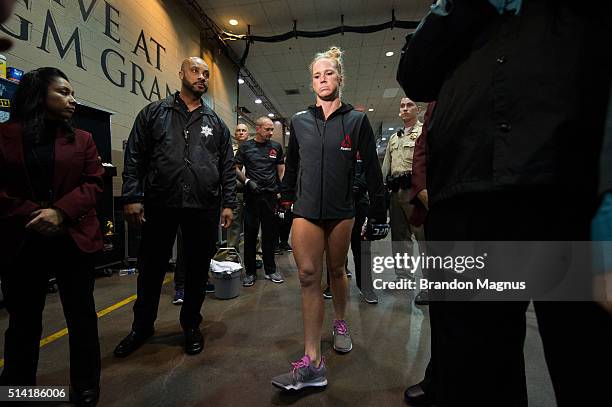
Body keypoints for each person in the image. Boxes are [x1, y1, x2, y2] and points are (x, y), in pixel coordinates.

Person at [398, 1, 612, 406]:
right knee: (474, 376)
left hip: (568, 192)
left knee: (588, 367)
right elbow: (415, 74)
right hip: (467, 198)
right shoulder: (456, 11)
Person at [271, 46, 387, 390]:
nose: (323, 79)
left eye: (329, 73)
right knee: (308, 276)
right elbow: (292, 165)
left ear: (340, 78)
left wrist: (377, 212)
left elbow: (374, 170)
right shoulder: (300, 121)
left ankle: (339, 323)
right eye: (317, 75)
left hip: (341, 211)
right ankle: (312, 360)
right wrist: (285, 198)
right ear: (312, 83)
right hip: (305, 208)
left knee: (336, 270)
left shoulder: (356, 120)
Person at [115, 56, 236, 358]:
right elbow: (134, 157)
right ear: (180, 73)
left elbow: (227, 167)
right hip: (161, 203)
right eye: (195, 71)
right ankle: (142, 327)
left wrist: (229, 203)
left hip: (202, 206)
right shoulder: (154, 114)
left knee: (196, 271)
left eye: (206, 73)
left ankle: (191, 327)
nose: (202, 77)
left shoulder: (216, 124)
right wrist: (132, 196)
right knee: (151, 269)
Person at [0, 67, 103, 407]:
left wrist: (59, 211)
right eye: (63, 92)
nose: (73, 99)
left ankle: (85, 387)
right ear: (38, 94)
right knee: (23, 322)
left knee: (82, 315)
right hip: (24, 237)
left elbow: (93, 184)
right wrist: (34, 213)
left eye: (72, 93)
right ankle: (19, 390)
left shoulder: (83, 139)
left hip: (72, 235)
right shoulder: (4, 135)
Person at [236, 116, 285, 286]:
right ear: (258, 129)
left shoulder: (276, 147)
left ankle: (270, 270)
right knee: (250, 236)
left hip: (270, 196)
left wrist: (280, 190)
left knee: (269, 236)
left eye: (272, 129)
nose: (271, 132)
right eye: (268, 129)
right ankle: (250, 272)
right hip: (252, 196)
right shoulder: (246, 147)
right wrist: (247, 182)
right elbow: (234, 167)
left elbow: (281, 169)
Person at [381, 97, 425, 279]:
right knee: (399, 237)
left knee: (422, 236)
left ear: (418, 109)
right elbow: (386, 167)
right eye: (402, 106)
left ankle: (431, 279)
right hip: (396, 192)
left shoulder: (424, 133)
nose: (405, 109)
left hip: (415, 191)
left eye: (409, 105)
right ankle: (403, 276)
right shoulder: (394, 137)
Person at [226, 123, 249, 254]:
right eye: (238, 131)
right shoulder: (229, 151)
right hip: (235, 192)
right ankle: (231, 254)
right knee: (233, 225)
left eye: (244, 130)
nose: (241, 132)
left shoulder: (254, 149)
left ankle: (256, 254)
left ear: (248, 133)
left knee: (253, 226)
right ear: (235, 134)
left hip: (251, 192)